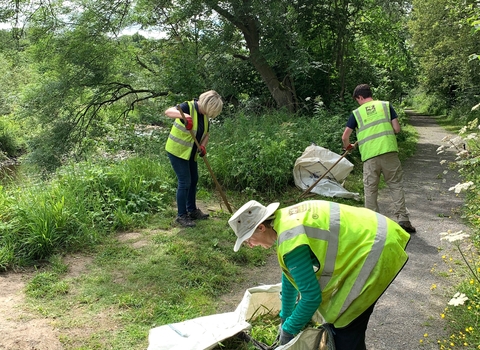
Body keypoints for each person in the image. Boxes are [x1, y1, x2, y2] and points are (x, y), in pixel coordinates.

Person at [229, 199, 410, 350]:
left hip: (376, 248)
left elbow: (311, 298)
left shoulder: (290, 240)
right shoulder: (283, 224)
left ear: (261, 227)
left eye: (248, 239)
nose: (251, 245)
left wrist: (288, 331)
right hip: (375, 234)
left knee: (345, 324)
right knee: (340, 325)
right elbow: (290, 276)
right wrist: (285, 316)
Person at [342, 84, 416, 233]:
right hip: (389, 152)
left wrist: (348, 146)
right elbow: (396, 129)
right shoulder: (386, 106)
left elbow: (345, 136)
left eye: (358, 100)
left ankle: (372, 223)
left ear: (360, 97)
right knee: (395, 185)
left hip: (370, 157)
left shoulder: (356, 113)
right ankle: (403, 220)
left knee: (370, 189)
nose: (358, 103)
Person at [165, 90, 223, 228]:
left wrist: (203, 146)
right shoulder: (187, 107)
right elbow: (168, 112)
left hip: (191, 153)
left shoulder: (205, 116)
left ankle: (191, 210)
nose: (209, 115)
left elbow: (206, 134)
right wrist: (185, 117)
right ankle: (181, 215)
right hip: (177, 151)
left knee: (194, 179)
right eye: (209, 111)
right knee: (185, 182)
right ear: (206, 103)